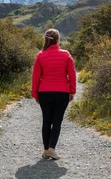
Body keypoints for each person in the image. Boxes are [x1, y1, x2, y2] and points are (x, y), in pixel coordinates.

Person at [32, 28, 76, 160]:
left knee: (46, 120)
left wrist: (35, 94)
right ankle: (51, 149)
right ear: (57, 39)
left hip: (44, 92)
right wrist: (72, 91)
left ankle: (46, 150)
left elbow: (35, 77)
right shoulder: (66, 54)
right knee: (57, 121)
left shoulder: (40, 55)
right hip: (62, 92)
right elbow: (72, 74)